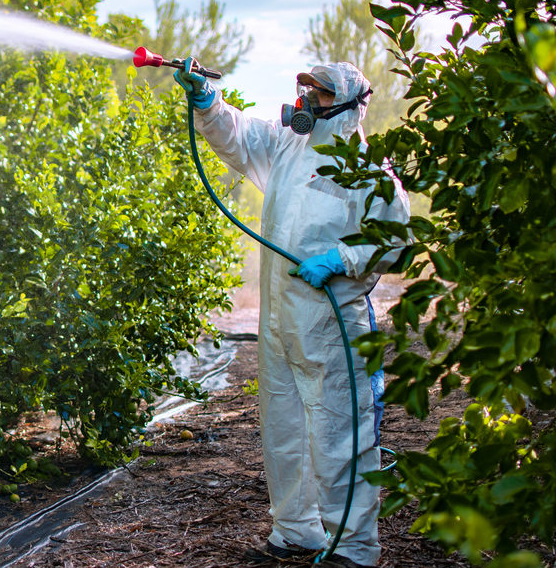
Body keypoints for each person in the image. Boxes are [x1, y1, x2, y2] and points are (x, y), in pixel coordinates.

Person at [173, 60, 410, 568]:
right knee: (283, 428)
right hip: (280, 318)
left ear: (347, 108)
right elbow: (238, 135)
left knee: (338, 431)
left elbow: (395, 239)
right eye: (305, 92)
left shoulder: (368, 170)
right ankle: (295, 530)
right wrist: (207, 102)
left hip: (330, 322)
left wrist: (343, 259)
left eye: (319, 96)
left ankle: (354, 546)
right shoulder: (288, 146)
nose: (305, 103)